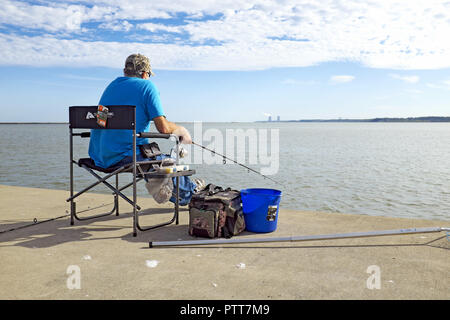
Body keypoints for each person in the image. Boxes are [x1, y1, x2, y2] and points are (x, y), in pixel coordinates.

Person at [88, 53, 203, 205]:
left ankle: (171, 187)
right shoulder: (147, 86)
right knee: (167, 163)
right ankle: (191, 192)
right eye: (148, 75)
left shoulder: (111, 86)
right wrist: (181, 130)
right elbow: (163, 127)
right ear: (144, 74)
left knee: (154, 160)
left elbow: (101, 121)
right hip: (127, 157)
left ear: (125, 71)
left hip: (99, 157)